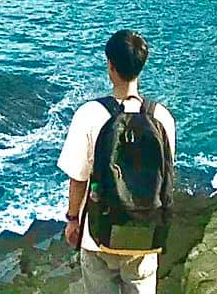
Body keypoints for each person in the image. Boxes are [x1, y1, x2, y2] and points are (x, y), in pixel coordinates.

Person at [57, 29, 178, 294]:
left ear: (110, 65)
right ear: (141, 67)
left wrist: (73, 220)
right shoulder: (162, 117)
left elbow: (78, 178)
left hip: (98, 234)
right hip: (145, 232)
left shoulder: (89, 114)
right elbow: (165, 173)